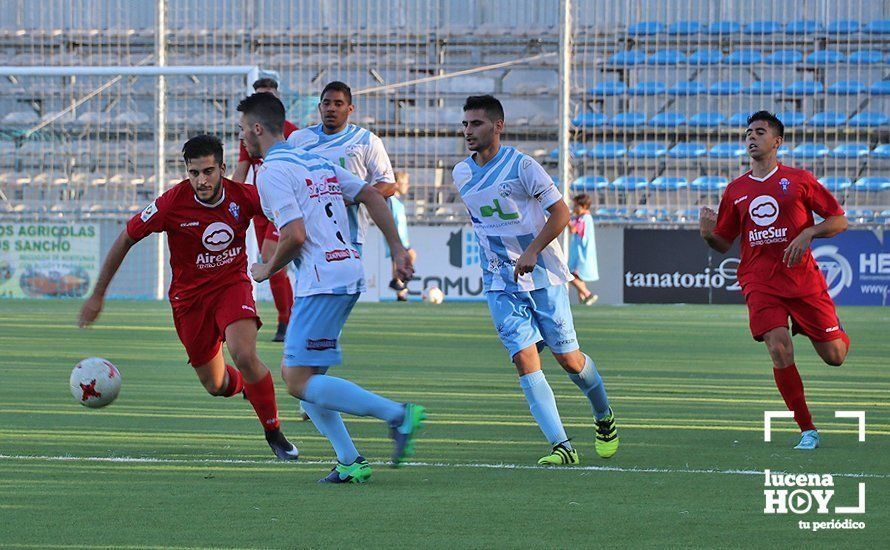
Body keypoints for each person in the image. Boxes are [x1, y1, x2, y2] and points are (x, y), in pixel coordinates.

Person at [237, 92, 425, 483]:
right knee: (311, 379)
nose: (241, 139)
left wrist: (266, 268)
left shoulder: (272, 171)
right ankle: (350, 460)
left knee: (296, 379)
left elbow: (294, 235)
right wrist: (396, 248)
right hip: (347, 271)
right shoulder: (314, 159)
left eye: (242, 130)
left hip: (320, 280)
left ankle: (398, 415)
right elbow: (372, 194)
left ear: (256, 129)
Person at [78, 134, 299, 460]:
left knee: (244, 353)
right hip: (189, 302)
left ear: (222, 168)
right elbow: (126, 237)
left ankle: (274, 432)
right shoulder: (171, 203)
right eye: (194, 173)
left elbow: (290, 211)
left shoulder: (245, 196)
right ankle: (246, 388)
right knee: (216, 384)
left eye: (208, 171)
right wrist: (97, 296)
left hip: (231, 286)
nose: (201, 180)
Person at [453, 95, 618, 464]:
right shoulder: (461, 173)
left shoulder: (523, 166)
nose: (468, 131)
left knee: (570, 361)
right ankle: (562, 446)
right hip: (500, 281)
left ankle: (603, 414)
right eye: (465, 124)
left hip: (543, 275)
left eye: (476, 124)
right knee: (524, 359)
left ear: (498, 126)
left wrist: (531, 251)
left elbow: (560, 213)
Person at [700, 110, 851, 450]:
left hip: (802, 280)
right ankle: (807, 429)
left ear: (777, 141)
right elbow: (723, 242)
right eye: (748, 132)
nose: (751, 137)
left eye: (760, 132)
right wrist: (708, 236)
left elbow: (839, 220)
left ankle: (834, 329)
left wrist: (809, 232)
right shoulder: (735, 190)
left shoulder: (798, 180)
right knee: (779, 347)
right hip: (760, 281)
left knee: (835, 356)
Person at [287, 81, 396, 256]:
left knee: (346, 283)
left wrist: (354, 196)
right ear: (319, 106)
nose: (331, 108)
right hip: (308, 237)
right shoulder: (298, 140)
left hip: (349, 236)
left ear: (350, 109)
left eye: (338, 104)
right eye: (327, 103)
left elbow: (389, 185)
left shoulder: (366, 141)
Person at [232, 78, 298, 342]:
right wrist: (230, 202)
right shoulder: (248, 135)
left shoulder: (292, 133)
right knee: (273, 265)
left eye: (268, 95)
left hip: (282, 201)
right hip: (261, 205)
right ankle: (286, 318)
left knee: (271, 256)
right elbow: (242, 169)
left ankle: (288, 320)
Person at [388, 171, 415, 301]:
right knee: (408, 258)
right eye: (405, 183)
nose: (407, 186)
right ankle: (397, 281)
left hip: (401, 239)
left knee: (402, 261)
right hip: (397, 239)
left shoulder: (397, 201)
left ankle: (400, 291)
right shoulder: (392, 201)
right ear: (397, 184)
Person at [568, 194, 599, 305]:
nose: (574, 208)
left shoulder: (585, 219)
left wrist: (566, 218)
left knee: (570, 275)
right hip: (579, 252)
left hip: (582, 253)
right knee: (578, 277)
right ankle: (583, 300)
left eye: (576, 205)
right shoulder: (581, 218)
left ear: (583, 206)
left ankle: (587, 294)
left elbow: (573, 229)